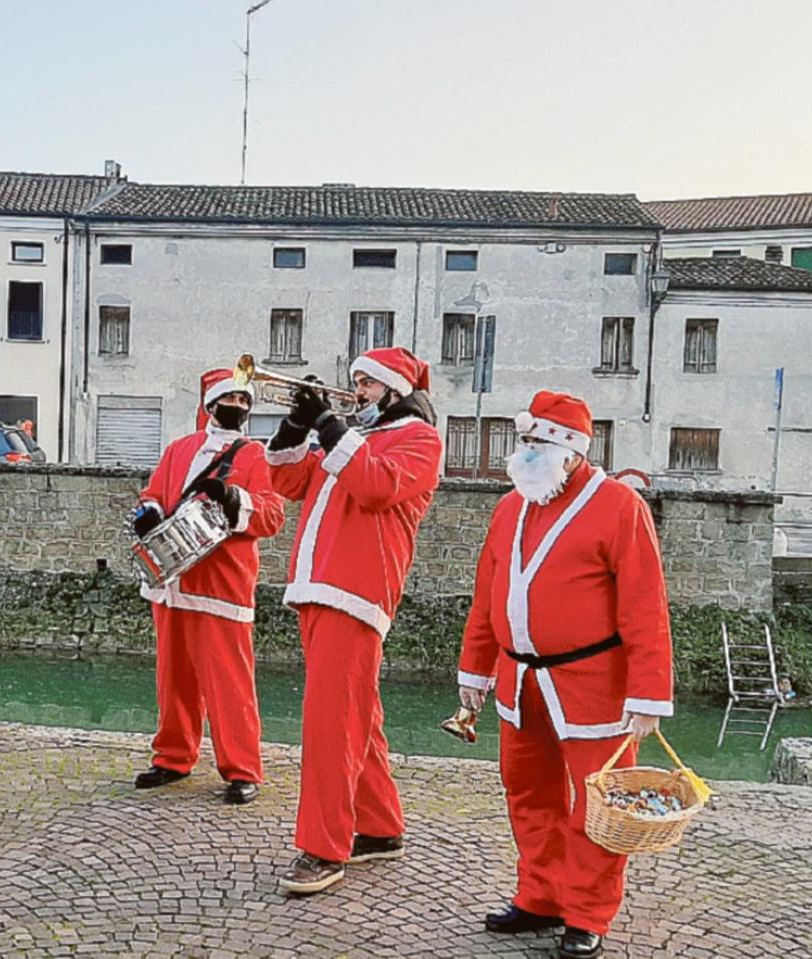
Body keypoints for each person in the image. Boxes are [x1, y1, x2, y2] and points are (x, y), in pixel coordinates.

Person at [456, 390, 673, 959]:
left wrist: (648, 693)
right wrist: (474, 672)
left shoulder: (621, 507)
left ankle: (587, 913)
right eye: (522, 443)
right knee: (528, 793)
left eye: (537, 443)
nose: (525, 453)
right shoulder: (511, 507)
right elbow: (487, 598)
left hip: (593, 683)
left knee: (598, 805)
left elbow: (645, 604)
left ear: (570, 450)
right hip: (519, 680)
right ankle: (539, 897)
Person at [263, 347, 442, 895]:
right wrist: (297, 422)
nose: (356, 391)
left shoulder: (419, 440)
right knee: (356, 713)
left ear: (394, 389)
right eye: (354, 382)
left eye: (366, 383)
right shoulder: (348, 440)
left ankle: (323, 846)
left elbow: (375, 487)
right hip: (320, 589)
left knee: (330, 722)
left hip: (357, 591)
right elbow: (285, 482)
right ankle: (380, 826)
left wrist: (329, 424)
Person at [130, 369, 286, 804]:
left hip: (222, 583)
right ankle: (173, 757)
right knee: (173, 677)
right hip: (170, 578)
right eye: (229, 397)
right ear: (211, 404)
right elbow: (154, 493)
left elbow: (272, 516)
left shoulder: (257, 455)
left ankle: (242, 768)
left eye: (243, 398)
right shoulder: (179, 449)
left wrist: (236, 501)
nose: (238, 404)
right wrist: (148, 512)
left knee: (229, 681)